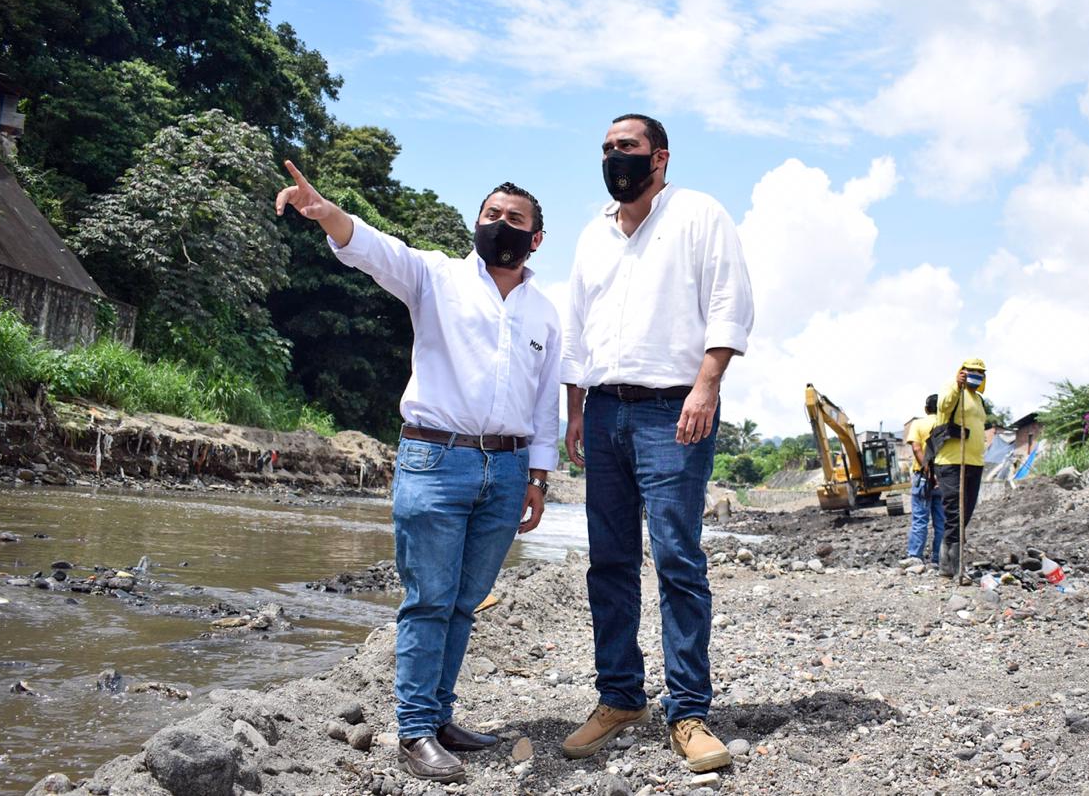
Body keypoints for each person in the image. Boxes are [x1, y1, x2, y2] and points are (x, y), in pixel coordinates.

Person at [275, 163, 560, 784]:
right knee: (428, 599)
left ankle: (440, 716)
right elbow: (374, 250)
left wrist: (539, 478)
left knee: (463, 602)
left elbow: (545, 403)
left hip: (508, 469)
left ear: (536, 238)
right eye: (491, 214)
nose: (501, 224)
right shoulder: (435, 275)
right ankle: (414, 731)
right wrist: (326, 213)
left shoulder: (545, 312)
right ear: (475, 223)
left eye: (515, 219)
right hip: (435, 459)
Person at [560, 114, 754, 773]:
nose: (615, 156)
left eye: (628, 147)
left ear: (660, 158)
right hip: (604, 409)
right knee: (609, 560)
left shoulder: (699, 215)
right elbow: (576, 328)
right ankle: (619, 697)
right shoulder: (593, 235)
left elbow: (730, 304)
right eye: (606, 147)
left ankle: (689, 711)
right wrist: (576, 409)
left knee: (677, 557)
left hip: (674, 409)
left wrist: (706, 387)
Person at [934, 359, 988, 581]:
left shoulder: (979, 399)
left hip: (974, 462)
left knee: (965, 513)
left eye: (980, 372)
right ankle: (955, 567)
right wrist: (957, 385)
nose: (977, 374)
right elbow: (944, 406)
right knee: (955, 512)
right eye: (972, 371)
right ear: (963, 372)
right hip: (952, 461)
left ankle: (946, 564)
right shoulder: (952, 388)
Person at [902, 394, 945, 566]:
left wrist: (928, 470)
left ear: (926, 409)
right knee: (941, 521)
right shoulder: (946, 424)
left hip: (923, 477)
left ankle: (915, 556)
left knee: (920, 519)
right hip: (944, 477)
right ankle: (939, 558)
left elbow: (916, 448)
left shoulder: (918, 424)